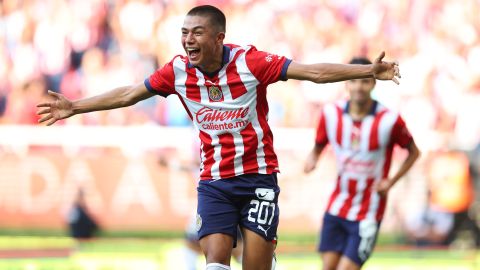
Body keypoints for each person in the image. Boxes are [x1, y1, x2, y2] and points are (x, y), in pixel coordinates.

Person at [37, 5, 401, 270]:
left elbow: (313, 73)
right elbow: (129, 94)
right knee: (214, 266)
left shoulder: (251, 63)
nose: (187, 40)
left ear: (218, 38)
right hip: (214, 182)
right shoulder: (177, 71)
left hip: (259, 177)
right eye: (183, 33)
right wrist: (76, 107)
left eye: (196, 33)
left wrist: (368, 69)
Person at [304, 57, 418, 270]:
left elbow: (414, 152)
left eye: (364, 81)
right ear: (346, 83)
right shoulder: (330, 114)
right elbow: (319, 145)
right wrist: (313, 158)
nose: (359, 87)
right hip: (337, 207)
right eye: (354, 81)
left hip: (369, 211)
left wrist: (391, 182)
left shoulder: (389, 120)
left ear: (373, 83)